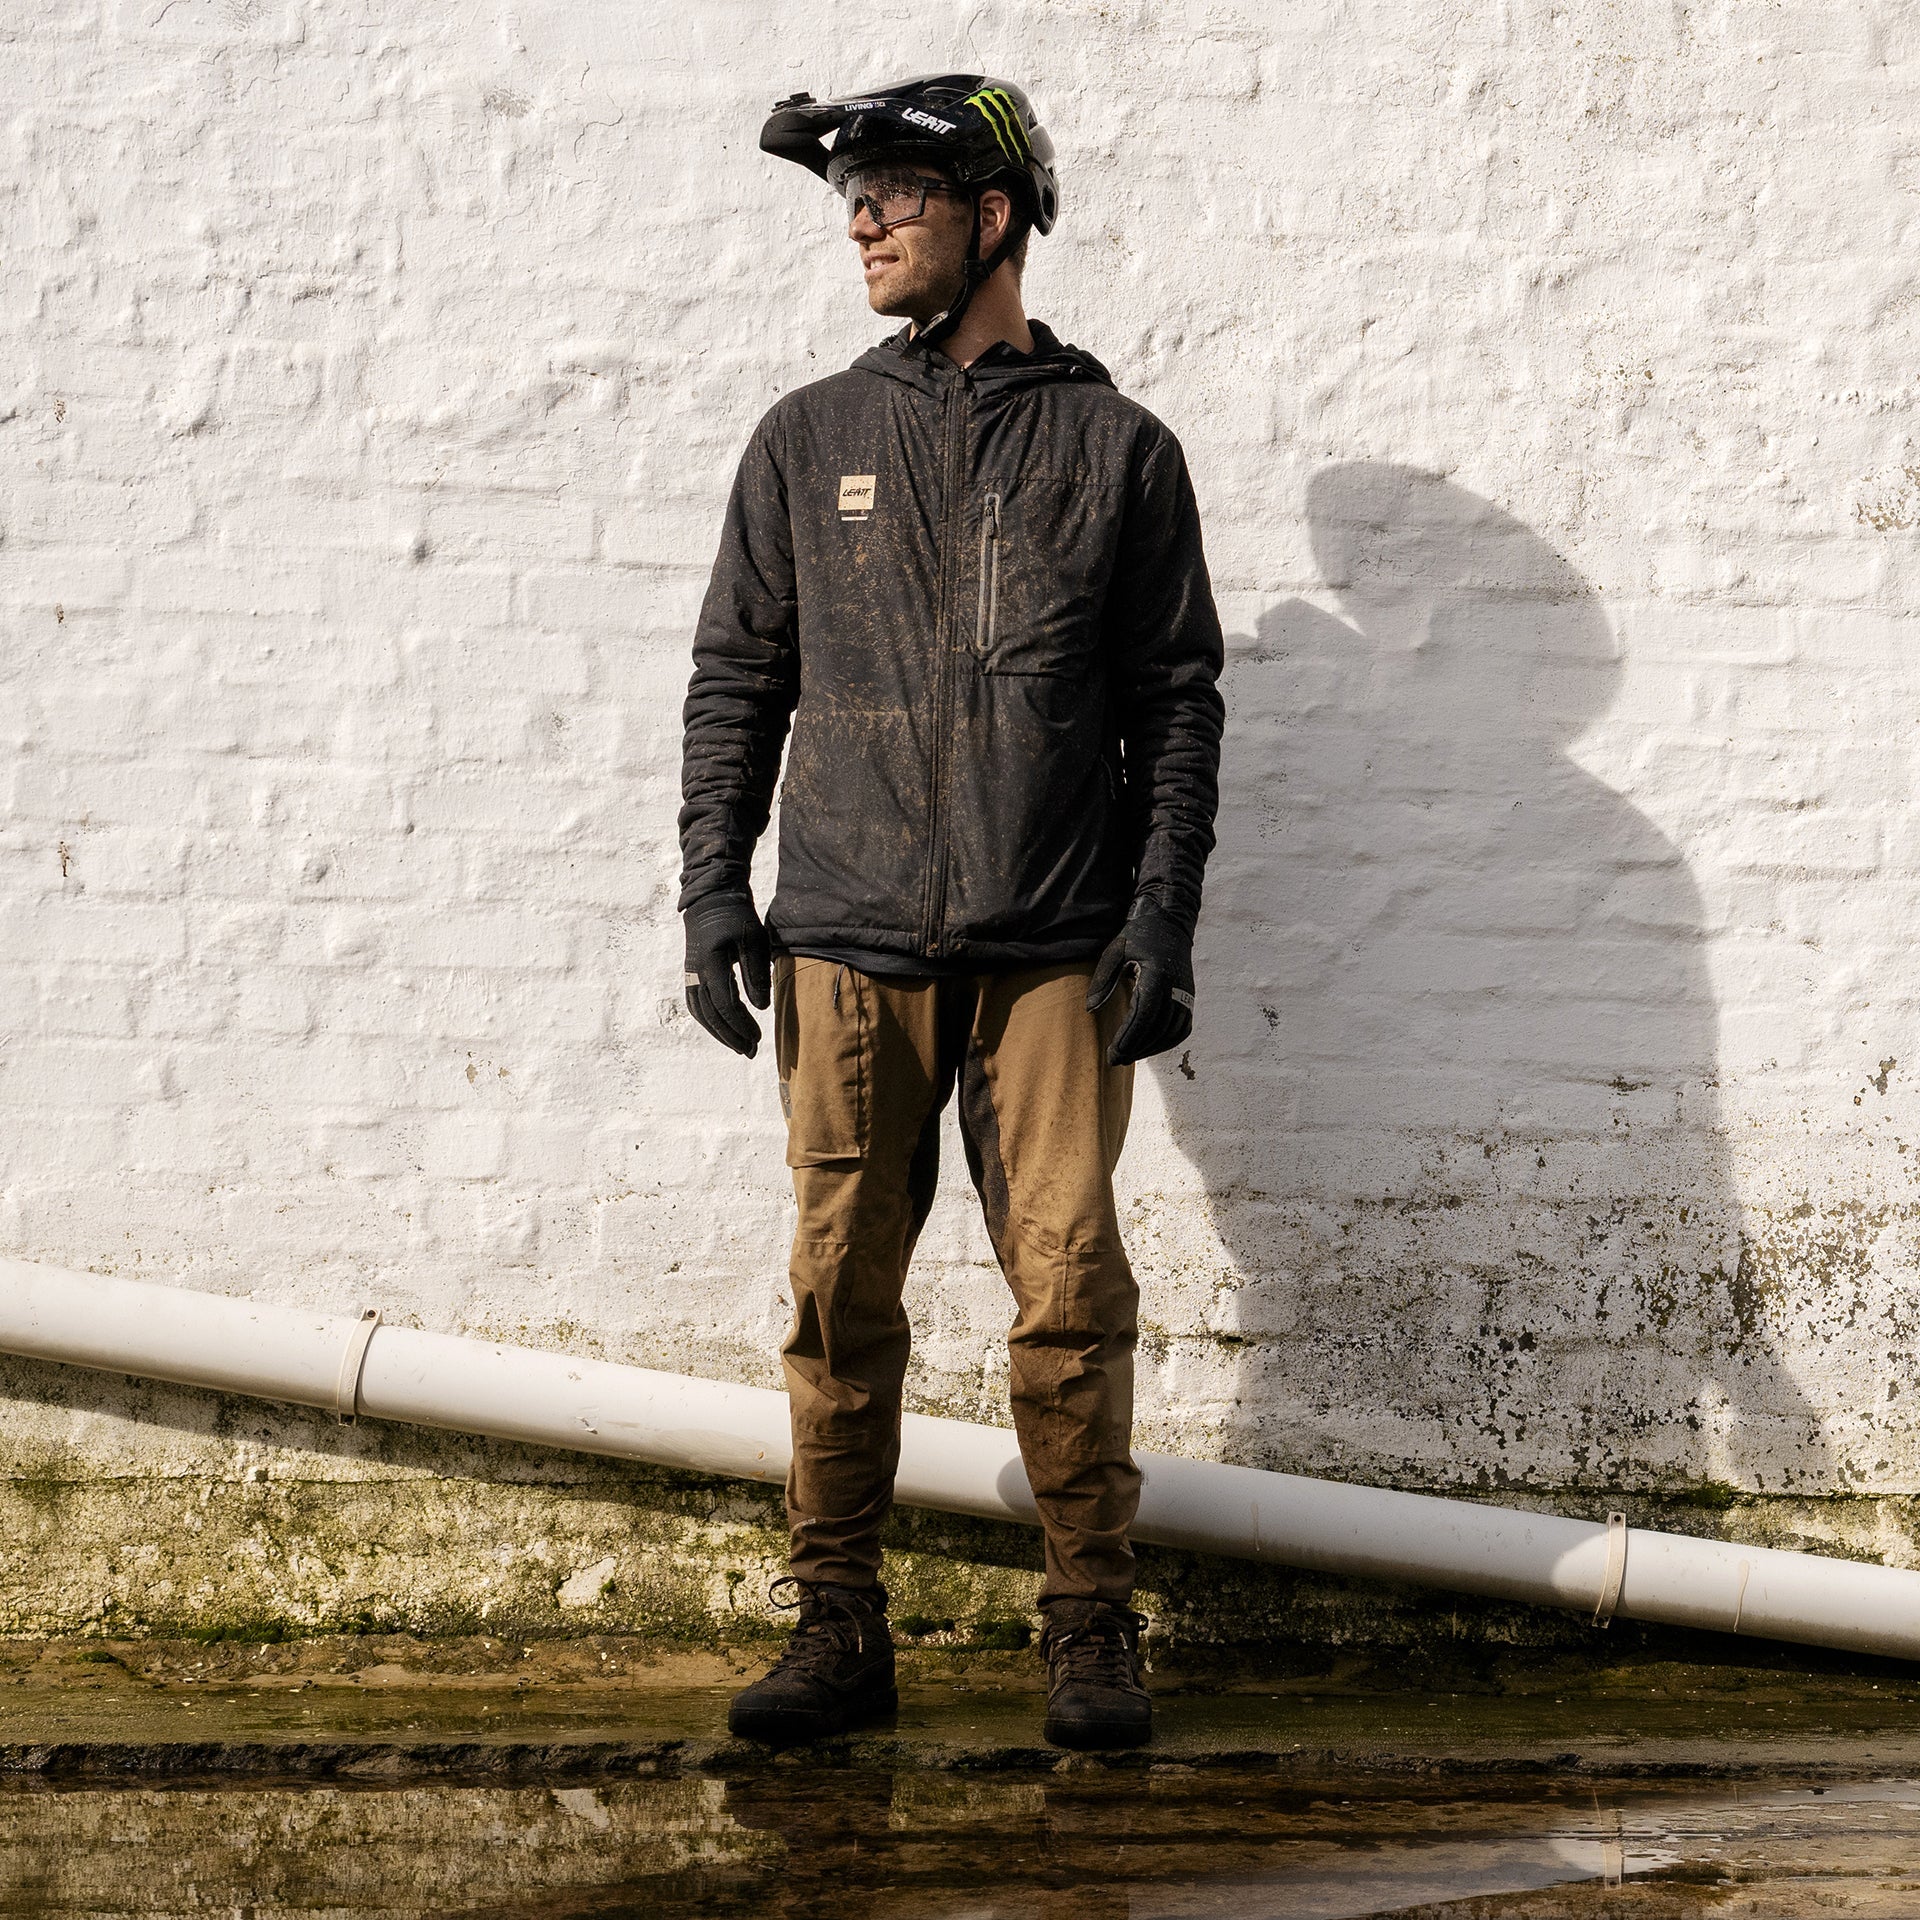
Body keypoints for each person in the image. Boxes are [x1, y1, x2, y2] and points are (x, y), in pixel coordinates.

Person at [678, 72, 1224, 1751]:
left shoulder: (1118, 451)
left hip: (1052, 949)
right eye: (847, 194)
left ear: (993, 217)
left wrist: (1161, 917)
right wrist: (712, 886)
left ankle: (1090, 1630)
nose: (859, 220)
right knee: (838, 1297)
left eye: (893, 193)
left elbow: (1176, 703)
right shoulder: (807, 440)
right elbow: (739, 676)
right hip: (844, 939)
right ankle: (839, 1626)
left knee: (1070, 1296)